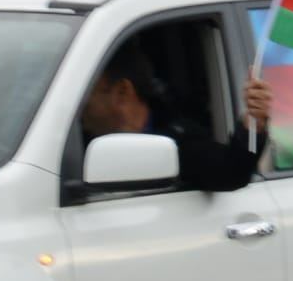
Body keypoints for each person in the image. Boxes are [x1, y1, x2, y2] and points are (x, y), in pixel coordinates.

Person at [81, 42, 273, 192]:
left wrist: (253, 124)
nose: (80, 108)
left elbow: (231, 172)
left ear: (122, 92)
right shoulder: (73, 146)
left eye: (86, 95)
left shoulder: (180, 142)